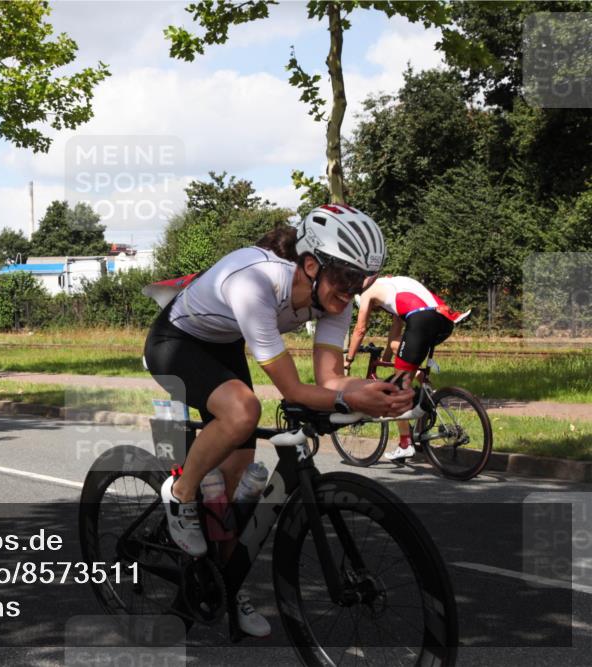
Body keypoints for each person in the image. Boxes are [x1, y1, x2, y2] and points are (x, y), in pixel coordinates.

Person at [143, 203, 413, 637]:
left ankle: (223, 585)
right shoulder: (255, 281)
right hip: (175, 342)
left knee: (231, 494)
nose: (353, 291)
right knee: (244, 410)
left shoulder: (334, 298)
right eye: (346, 279)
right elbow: (295, 391)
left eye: (362, 281)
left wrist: (372, 393)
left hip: (224, 342)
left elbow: (329, 378)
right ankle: (180, 491)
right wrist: (351, 401)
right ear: (311, 264)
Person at [345, 275, 466, 461]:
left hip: (421, 320)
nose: (377, 310)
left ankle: (405, 444)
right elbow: (395, 334)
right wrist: (385, 358)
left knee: (397, 389)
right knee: (403, 356)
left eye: (375, 309)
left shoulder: (367, 292)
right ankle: (427, 394)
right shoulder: (392, 283)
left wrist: (348, 360)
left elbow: (360, 329)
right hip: (445, 319)